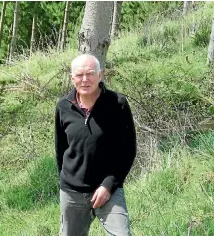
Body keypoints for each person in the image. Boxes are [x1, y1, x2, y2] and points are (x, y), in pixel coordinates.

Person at [55, 54, 136, 236]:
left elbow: (128, 151)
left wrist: (108, 185)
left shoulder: (118, 104)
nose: (85, 79)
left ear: (101, 75)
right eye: (79, 75)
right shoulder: (63, 106)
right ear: (72, 78)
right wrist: (68, 181)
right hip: (72, 193)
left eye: (90, 73)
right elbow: (60, 150)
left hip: (109, 189)